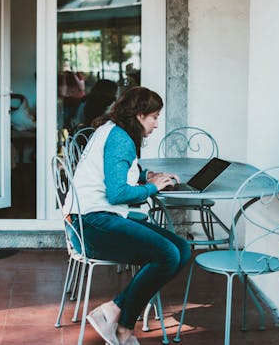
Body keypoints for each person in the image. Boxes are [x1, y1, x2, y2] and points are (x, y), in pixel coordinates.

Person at [64, 87, 192, 345]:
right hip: (90, 226)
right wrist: (153, 188)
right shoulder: (121, 139)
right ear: (139, 115)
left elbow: (120, 170)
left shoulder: (113, 130)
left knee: (182, 248)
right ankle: (124, 328)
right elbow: (117, 193)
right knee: (167, 254)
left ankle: (113, 310)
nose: (157, 125)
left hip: (94, 219)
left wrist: (148, 177)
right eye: (154, 117)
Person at [58, 59, 85, 131]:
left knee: (77, 121)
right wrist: (64, 78)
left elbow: (82, 87)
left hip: (79, 102)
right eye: (64, 66)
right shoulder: (61, 77)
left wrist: (74, 75)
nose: (66, 68)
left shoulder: (78, 74)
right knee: (66, 122)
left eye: (68, 66)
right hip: (67, 103)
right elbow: (63, 93)